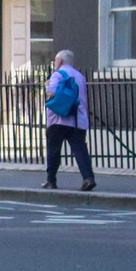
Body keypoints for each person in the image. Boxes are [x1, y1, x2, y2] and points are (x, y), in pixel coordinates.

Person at [44, 49, 95, 190]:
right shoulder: (80, 76)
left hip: (58, 119)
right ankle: (88, 178)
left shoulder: (58, 74)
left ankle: (51, 180)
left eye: (55, 60)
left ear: (60, 61)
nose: (54, 62)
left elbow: (51, 93)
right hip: (78, 119)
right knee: (80, 150)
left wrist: (46, 85)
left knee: (54, 150)